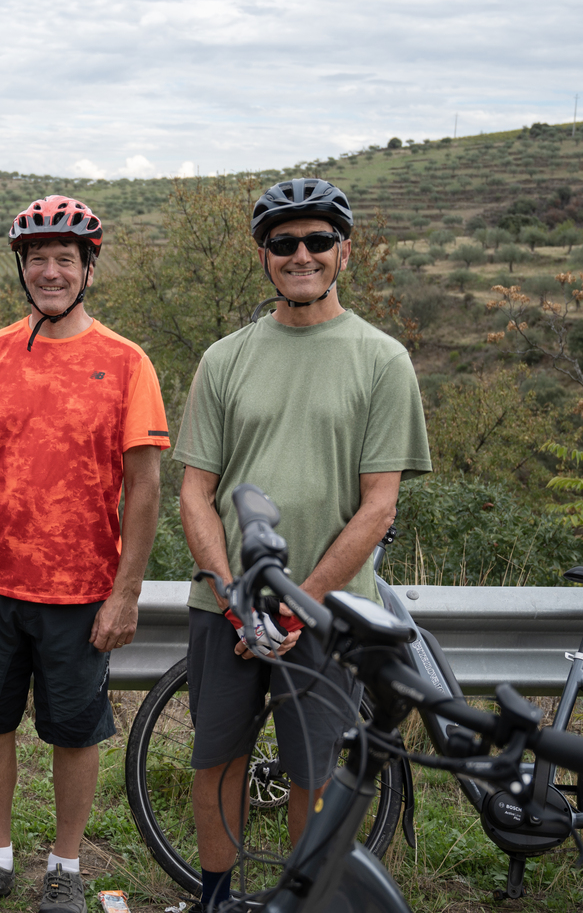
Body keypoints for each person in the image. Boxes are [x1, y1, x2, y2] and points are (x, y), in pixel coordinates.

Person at [173, 178, 431, 912]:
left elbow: (379, 505)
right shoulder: (225, 358)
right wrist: (232, 598)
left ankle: (304, 903)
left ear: (343, 250)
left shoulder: (382, 360)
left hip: (329, 614)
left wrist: (296, 607)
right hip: (223, 605)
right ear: (264, 256)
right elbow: (196, 492)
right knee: (216, 759)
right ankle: (216, 901)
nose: (302, 255)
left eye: (318, 241)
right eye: (284, 244)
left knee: (313, 773)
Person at [0, 196, 170, 913]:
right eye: (37, 258)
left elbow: (146, 487)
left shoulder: (127, 362)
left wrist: (125, 592)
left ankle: (65, 868)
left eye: (64, 258)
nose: (49, 270)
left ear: (88, 268)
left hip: (81, 592)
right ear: (21, 267)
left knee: (75, 732)